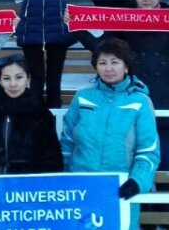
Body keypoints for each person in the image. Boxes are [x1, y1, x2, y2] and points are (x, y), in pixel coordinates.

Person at [68, 0, 169, 226]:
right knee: (135, 157)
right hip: (132, 98)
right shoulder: (124, 18)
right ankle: (145, 216)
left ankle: (167, 217)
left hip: (164, 96)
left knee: (162, 161)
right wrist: (76, 26)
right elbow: (101, 47)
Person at [61, 38, 160, 230]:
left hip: (119, 188)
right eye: (102, 63)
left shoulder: (140, 101)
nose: (108, 68)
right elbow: (67, 142)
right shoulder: (82, 98)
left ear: (126, 66)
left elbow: (148, 151)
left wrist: (137, 181)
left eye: (115, 62)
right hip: (82, 186)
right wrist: (64, 177)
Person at [0, 54, 63, 175]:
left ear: (28, 79)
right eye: (6, 78)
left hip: (28, 184)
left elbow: (52, 157)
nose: (13, 84)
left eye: (19, 77)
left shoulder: (41, 113)